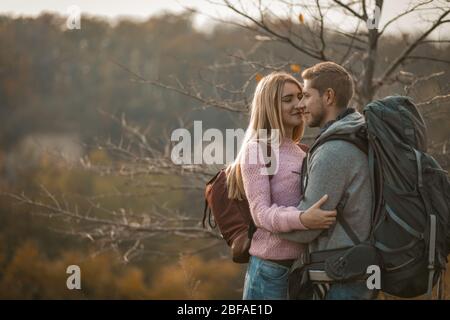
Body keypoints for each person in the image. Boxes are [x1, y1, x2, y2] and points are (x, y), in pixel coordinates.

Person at [225, 72, 337, 300]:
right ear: (269, 106)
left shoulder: (304, 152)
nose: (299, 105)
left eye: (300, 97)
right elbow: (261, 214)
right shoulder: (258, 149)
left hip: (304, 269)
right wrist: (303, 219)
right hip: (270, 271)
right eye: (288, 100)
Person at [281, 61, 377, 300]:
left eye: (306, 96)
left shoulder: (334, 151)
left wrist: (261, 221)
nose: (301, 105)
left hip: (341, 280)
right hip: (351, 274)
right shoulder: (355, 133)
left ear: (329, 97)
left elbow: (306, 230)